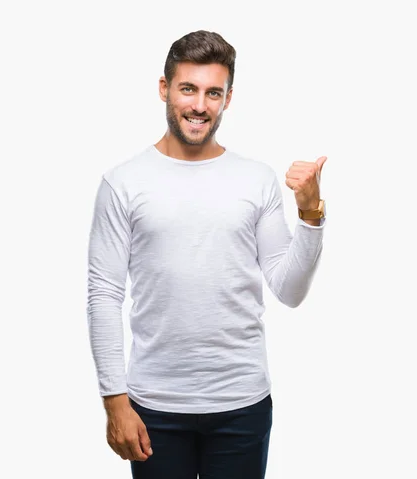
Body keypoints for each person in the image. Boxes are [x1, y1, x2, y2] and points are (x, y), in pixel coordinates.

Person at [86, 30, 327, 479]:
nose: (200, 105)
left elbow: (289, 291)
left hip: (242, 404)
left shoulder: (255, 179)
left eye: (213, 92)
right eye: (188, 89)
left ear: (228, 98)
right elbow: (103, 294)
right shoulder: (124, 182)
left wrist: (310, 212)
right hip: (154, 408)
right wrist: (114, 400)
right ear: (165, 89)